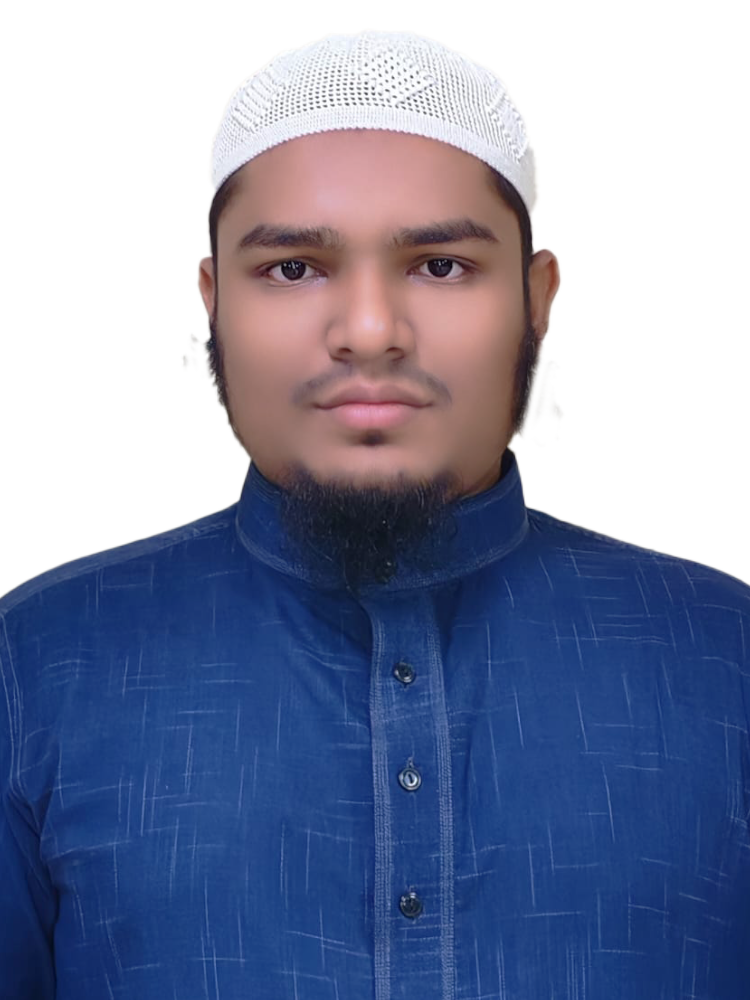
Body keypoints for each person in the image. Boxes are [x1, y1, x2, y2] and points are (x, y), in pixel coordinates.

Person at [1, 27, 748, 999]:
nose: (367, 331)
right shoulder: (38, 667)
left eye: (440, 265)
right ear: (214, 303)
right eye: (293, 267)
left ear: (536, 301)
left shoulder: (725, 658)